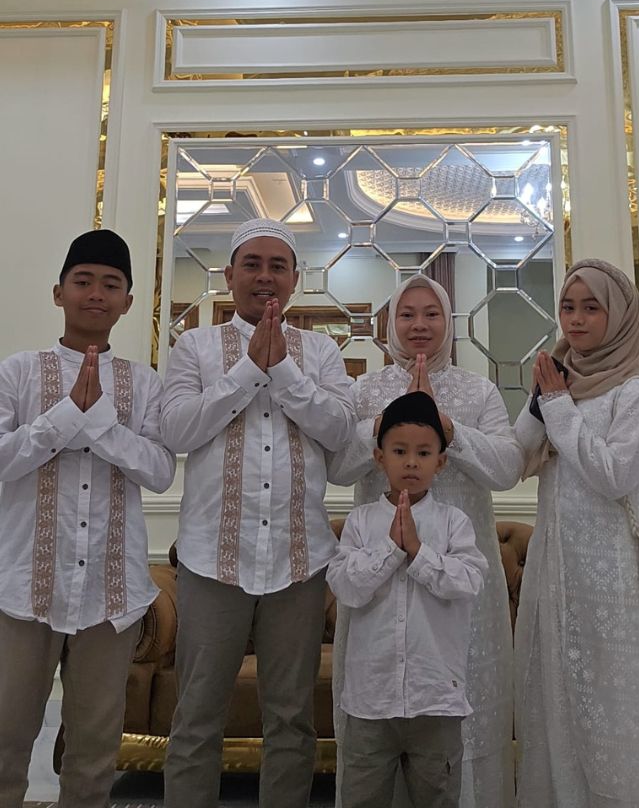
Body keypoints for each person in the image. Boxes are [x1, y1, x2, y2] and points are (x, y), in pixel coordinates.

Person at [161, 218, 355, 808]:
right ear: (229, 275)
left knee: (291, 720)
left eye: (277, 266)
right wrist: (248, 370)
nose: (264, 276)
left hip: (299, 563)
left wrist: (285, 371)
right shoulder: (194, 347)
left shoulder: (321, 351)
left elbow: (340, 432)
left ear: (295, 279)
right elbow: (176, 429)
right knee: (197, 715)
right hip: (211, 561)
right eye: (252, 264)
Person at [329, 274, 523, 808]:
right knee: (379, 710)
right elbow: (338, 467)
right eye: (407, 314)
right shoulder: (365, 390)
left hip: (458, 569)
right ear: (391, 323)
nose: (419, 325)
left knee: (458, 702)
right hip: (379, 569)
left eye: (431, 314)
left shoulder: (478, 391)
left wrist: (446, 427)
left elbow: (507, 469)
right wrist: (389, 420)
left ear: (447, 322)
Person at [0, 229, 176, 808]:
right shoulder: (18, 372)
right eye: (83, 281)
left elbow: (159, 471)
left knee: (95, 752)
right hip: (26, 586)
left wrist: (96, 421)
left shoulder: (145, 382)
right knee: (6, 739)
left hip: (110, 590)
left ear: (128, 302)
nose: (96, 293)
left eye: (111, 284)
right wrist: (62, 418)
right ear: (59, 293)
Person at [513, 258, 639, 808]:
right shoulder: (560, 384)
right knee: (552, 694)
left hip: (609, 580)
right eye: (567, 307)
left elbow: (612, 475)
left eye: (591, 308)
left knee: (610, 701)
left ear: (619, 316)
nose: (575, 320)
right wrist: (542, 400)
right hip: (553, 570)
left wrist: (558, 405)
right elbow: (516, 458)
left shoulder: (636, 396)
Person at [328, 390, 486, 808]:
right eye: (399, 451)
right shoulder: (360, 522)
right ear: (379, 458)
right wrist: (391, 550)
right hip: (370, 700)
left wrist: (418, 551)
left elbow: (469, 582)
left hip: (436, 699)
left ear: (441, 461)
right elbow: (345, 586)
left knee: (438, 798)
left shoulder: (454, 523)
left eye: (424, 452)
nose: (412, 462)